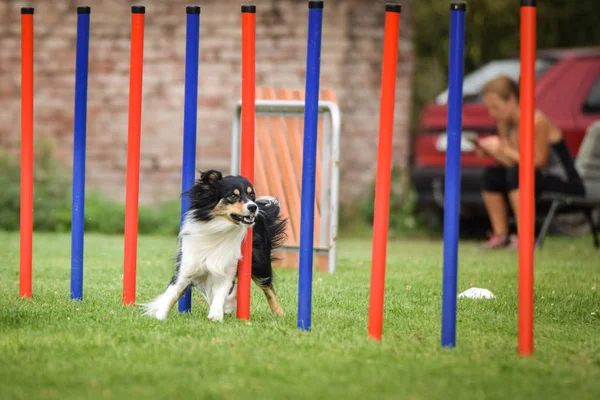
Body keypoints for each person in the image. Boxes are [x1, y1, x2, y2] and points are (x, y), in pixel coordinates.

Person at [473, 75, 586, 249]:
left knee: (517, 174)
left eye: (496, 108)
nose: (493, 114)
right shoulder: (505, 123)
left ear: (511, 99)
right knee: (491, 175)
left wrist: (504, 149)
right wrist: (492, 151)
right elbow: (511, 162)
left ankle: (525, 237)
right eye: (489, 109)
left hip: (564, 182)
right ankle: (500, 236)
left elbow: (539, 162)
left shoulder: (536, 120)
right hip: (530, 175)